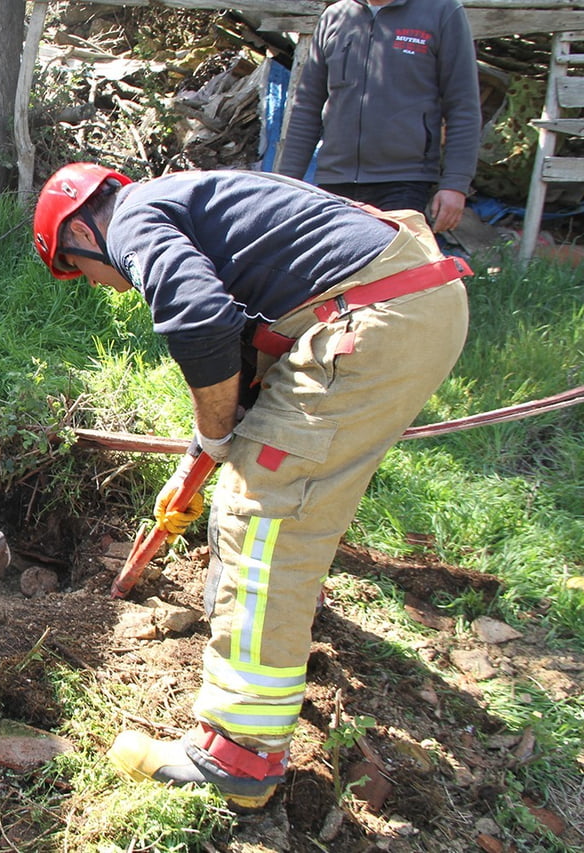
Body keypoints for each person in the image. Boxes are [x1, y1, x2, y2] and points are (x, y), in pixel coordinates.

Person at [32, 163, 470, 808]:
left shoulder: (128, 221)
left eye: (77, 269)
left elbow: (200, 321)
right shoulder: (194, 200)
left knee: (260, 514)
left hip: (370, 317)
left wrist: (216, 439)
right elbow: (246, 359)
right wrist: (199, 454)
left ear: (79, 234)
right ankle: (281, 617)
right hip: (410, 301)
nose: (101, 283)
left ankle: (238, 753)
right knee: (292, 496)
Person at [276, 0, 481, 234]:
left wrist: (455, 184)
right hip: (336, 181)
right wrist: (285, 183)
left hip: (404, 180)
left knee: (393, 258)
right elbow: (307, 106)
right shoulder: (335, 17)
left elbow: (463, 106)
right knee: (341, 257)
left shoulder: (441, 11)